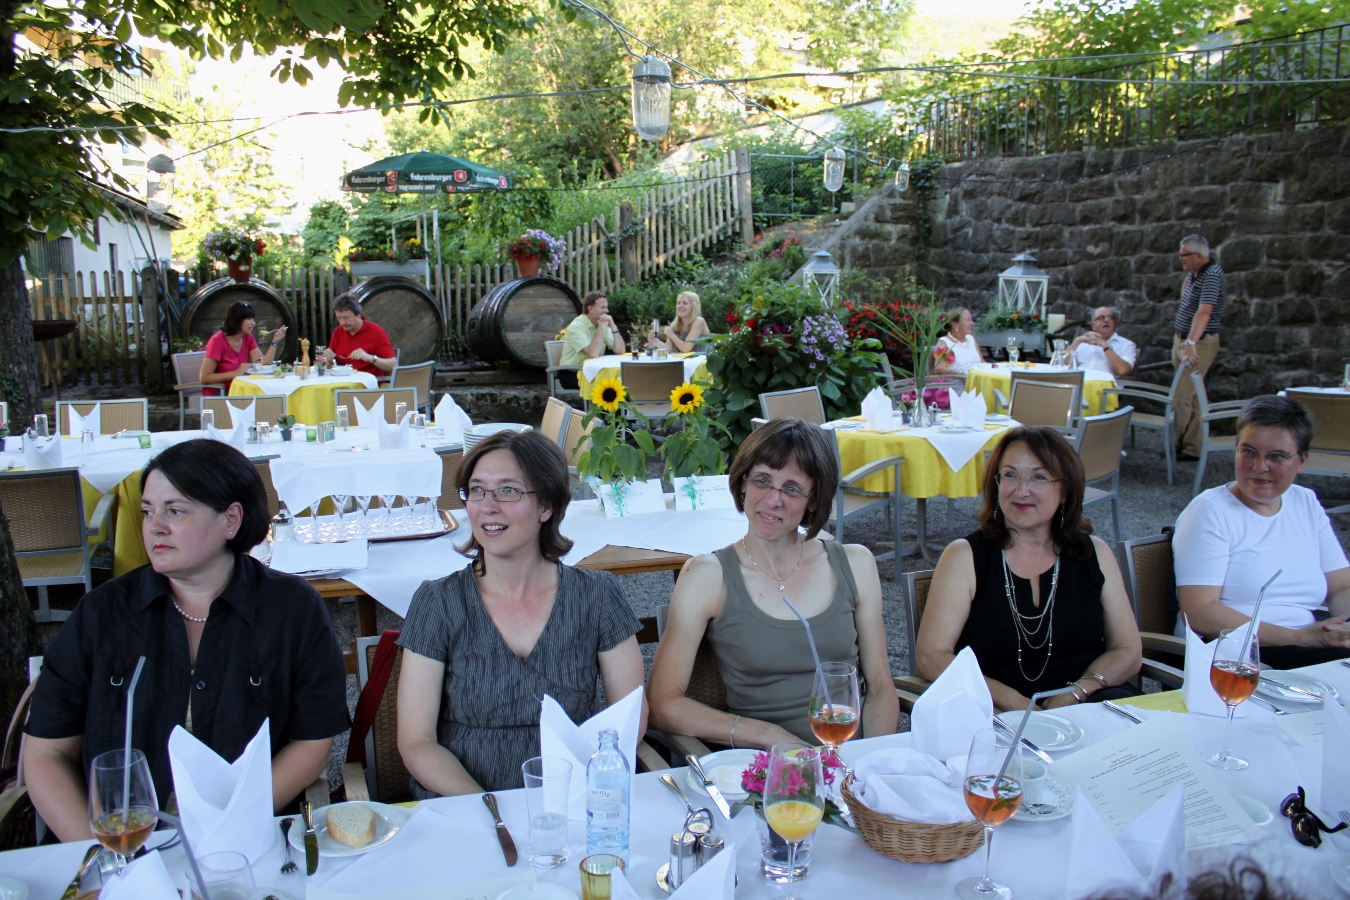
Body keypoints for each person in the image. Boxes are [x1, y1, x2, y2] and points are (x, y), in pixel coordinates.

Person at [24, 440, 350, 840]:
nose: (155, 526)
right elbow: (46, 753)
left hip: (244, 838)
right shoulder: (102, 614)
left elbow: (312, 741)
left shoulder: (292, 609)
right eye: (148, 511)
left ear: (231, 520)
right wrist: (100, 852)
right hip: (122, 841)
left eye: (175, 511)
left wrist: (229, 828)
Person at [396, 430, 646, 795]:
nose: (487, 506)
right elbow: (417, 742)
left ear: (546, 506)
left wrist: (584, 791)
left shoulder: (597, 595)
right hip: (465, 803)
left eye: (508, 491)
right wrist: (492, 809)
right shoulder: (438, 603)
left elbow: (630, 716)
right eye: (477, 490)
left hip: (576, 796)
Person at [648, 417, 899, 748]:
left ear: (813, 499)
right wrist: (769, 735)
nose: (773, 500)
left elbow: (880, 687)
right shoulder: (707, 576)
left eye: (792, 489)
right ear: (743, 483)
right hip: (765, 766)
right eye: (762, 481)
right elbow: (662, 704)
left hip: (849, 756)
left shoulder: (855, 564)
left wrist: (872, 762)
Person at [916, 426, 1142, 711]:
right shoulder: (964, 556)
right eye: (1010, 475)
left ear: (1065, 491)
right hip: (994, 713)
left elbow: (1128, 649)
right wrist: (1014, 702)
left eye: (1039, 477)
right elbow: (931, 657)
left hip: (1088, 706)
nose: (1021, 490)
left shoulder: (1094, 552)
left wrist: (1077, 692)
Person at [1173, 396, 1350, 669]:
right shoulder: (1211, 510)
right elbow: (1199, 613)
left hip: (1306, 646)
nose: (1259, 466)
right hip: (1237, 656)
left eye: (1276, 456)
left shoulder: (1304, 502)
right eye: (1249, 451)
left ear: (1302, 460)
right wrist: (1300, 638)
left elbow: (1341, 586)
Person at [1173, 234, 1226, 461]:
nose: (1180, 258)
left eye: (1184, 255)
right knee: (1193, 396)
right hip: (1183, 339)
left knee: (1181, 395)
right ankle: (1192, 447)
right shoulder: (1193, 274)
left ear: (1199, 255)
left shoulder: (1212, 275)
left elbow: (1204, 312)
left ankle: (1173, 443)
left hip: (1198, 342)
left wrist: (1191, 343)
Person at [199, 301, 287, 396]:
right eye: (249, 319)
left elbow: (263, 364)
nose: (253, 323)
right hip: (220, 393)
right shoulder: (217, 340)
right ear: (237, 320)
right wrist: (236, 372)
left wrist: (275, 341)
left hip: (240, 391)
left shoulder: (248, 338)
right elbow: (204, 377)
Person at [320, 293, 397, 377]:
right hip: (343, 380)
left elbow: (393, 365)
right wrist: (327, 359)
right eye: (339, 318)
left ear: (358, 314)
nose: (342, 323)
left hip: (369, 382)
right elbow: (332, 365)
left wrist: (370, 358)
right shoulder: (338, 331)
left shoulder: (376, 332)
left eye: (346, 318)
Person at [560, 291, 627, 369]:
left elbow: (620, 351)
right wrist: (601, 328)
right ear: (590, 309)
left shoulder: (602, 323)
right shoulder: (577, 326)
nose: (607, 311)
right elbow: (593, 354)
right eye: (603, 307)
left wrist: (613, 327)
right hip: (573, 371)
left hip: (593, 369)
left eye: (607, 307)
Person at [1069, 306, 1136, 378]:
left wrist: (1105, 346)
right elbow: (1063, 365)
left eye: (1109, 317)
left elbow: (1123, 370)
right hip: (1079, 382)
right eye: (1101, 318)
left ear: (1114, 323)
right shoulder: (1083, 343)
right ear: (1093, 325)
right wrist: (1077, 341)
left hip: (1105, 384)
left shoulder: (1126, 344)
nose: (1106, 321)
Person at [933, 308, 985, 376]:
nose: (972, 323)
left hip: (978, 378)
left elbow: (982, 362)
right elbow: (939, 368)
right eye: (968, 320)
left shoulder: (971, 339)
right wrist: (963, 375)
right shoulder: (944, 342)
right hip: (960, 381)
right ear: (955, 324)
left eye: (971, 320)